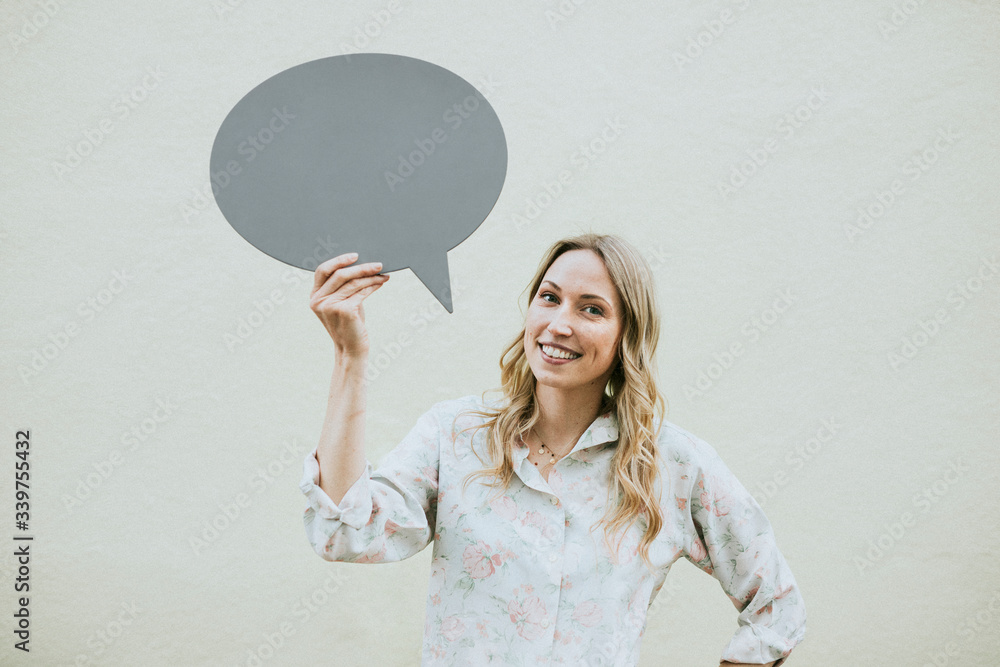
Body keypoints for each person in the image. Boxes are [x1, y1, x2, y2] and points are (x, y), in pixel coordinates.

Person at [299, 233, 807, 666]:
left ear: (625, 335)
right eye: (549, 297)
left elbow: (777, 608)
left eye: (591, 309)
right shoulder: (453, 435)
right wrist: (350, 356)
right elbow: (346, 531)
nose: (560, 323)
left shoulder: (671, 465)